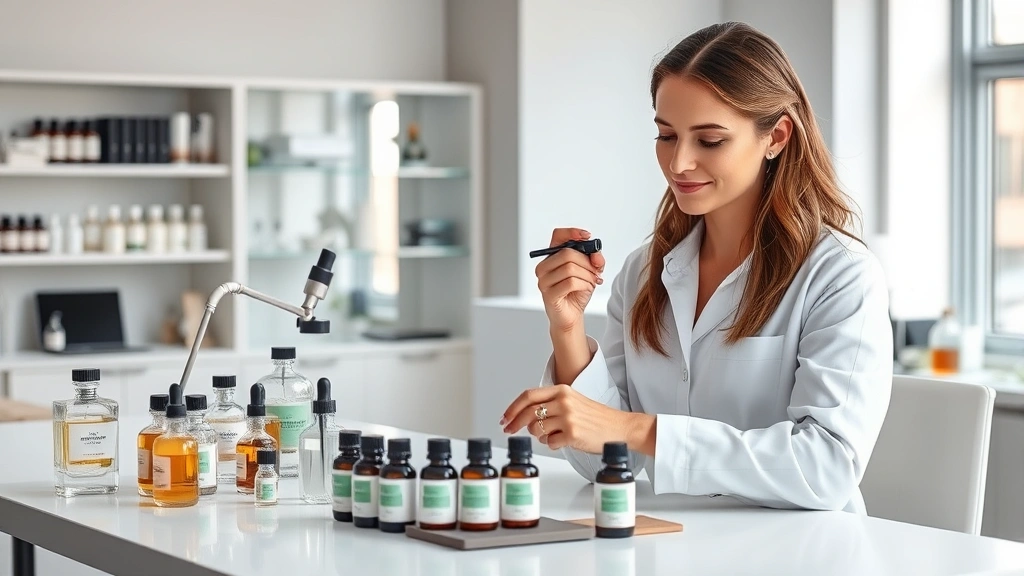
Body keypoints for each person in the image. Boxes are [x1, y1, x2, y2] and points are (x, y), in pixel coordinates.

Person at [500, 21, 892, 512]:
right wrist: (567, 328)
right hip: (674, 546)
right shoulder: (645, 270)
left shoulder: (840, 276)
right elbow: (602, 466)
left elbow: (827, 468)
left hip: (799, 552)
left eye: (709, 140)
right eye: (667, 135)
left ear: (776, 137)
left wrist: (638, 430)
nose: (679, 162)